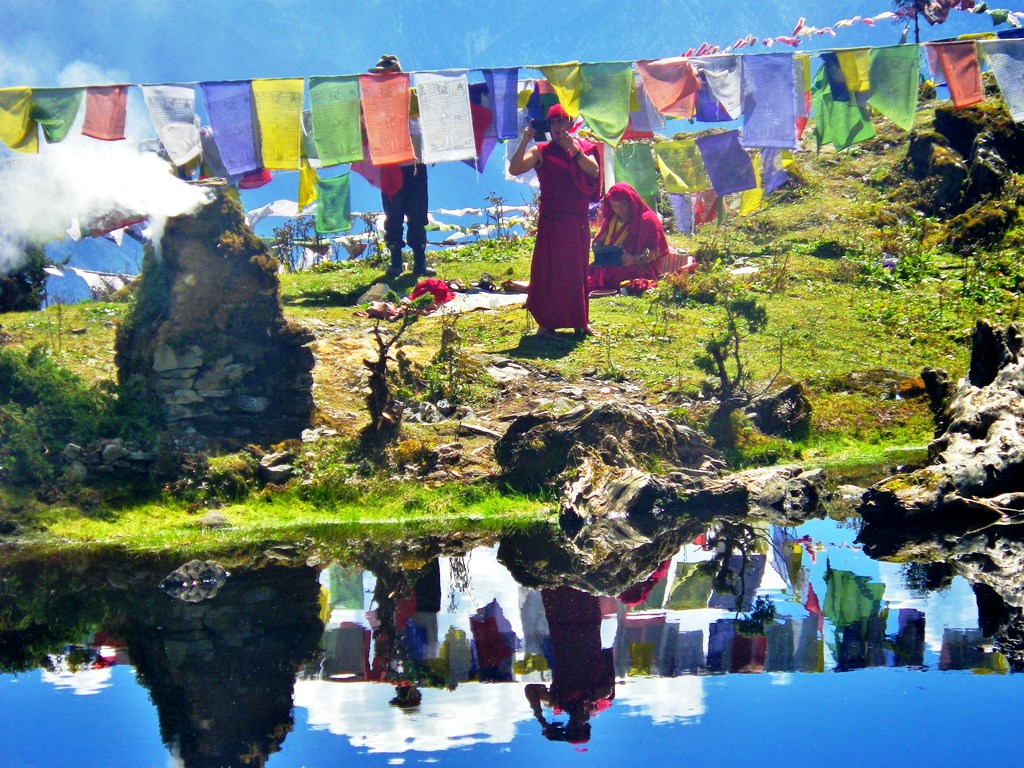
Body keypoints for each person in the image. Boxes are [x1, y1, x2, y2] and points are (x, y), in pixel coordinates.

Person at [508, 103, 601, 339]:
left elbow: (594, 172)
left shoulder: (583, 147)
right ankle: (546, 326)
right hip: (553, 221)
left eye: (562, 122)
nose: (559, 127)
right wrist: (525, 139)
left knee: (577, 270)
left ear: (571, 124)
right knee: (551, 271)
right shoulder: (541, 151)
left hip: (577, 220)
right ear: (549, 126)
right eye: (554, 123)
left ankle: (581, 322)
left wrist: (575, 151)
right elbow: (516, 168)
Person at [369, 54, 435, 278]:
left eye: (388, 75)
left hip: (415, 164)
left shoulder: (414, 98)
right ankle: (396, 261)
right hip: (390, 164)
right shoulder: (373, 103)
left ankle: (419, 262)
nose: (384, 79)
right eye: (381, 76)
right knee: (393, 214)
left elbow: (432, 118)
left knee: (418, 213)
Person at [587, 182, 669, 293]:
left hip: (640, 267)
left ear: (632, 202)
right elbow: (601, 240)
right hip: (611, 263)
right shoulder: (612, 219)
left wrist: (633, 259)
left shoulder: (647, 220)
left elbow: (658, 251)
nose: (619, 210)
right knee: (587, 272)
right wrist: (598, 245)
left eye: (623, 205)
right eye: (614, 206)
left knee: (608, 274)